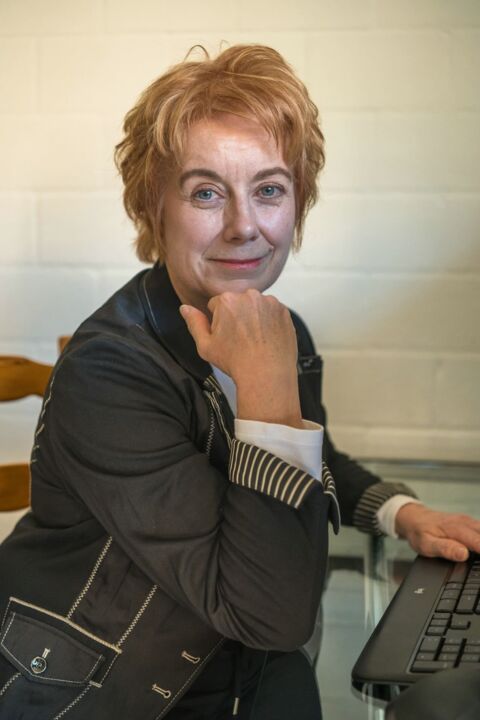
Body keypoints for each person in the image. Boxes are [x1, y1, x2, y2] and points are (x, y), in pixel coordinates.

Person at [0, 45, 479, 720]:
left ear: (298, 205)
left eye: (269, 190)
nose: (244, 225)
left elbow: (313, 460)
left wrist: (402, 513)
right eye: (205, 192)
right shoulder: (108, 371)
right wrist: (268, 390)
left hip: (244, 665)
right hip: (106, 689)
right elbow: (271, 614)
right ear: (153, 206)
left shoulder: (277, 331)